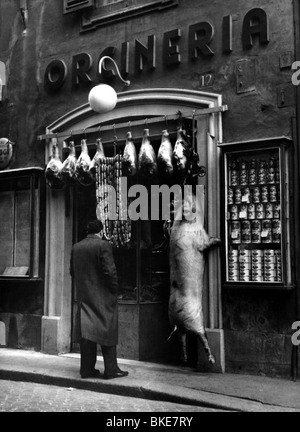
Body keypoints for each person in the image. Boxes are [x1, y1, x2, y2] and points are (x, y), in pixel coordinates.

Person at [70, 220, 128, 380]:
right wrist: (114, 290)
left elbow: (72, 271)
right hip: (103, 296)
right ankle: (111, 369)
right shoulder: (103, 245)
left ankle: (86, 370)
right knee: (107, 329)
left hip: (84, 296)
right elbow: (110, 272)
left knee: (86, 333)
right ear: (101, 231)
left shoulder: (76, 247)